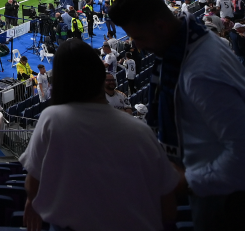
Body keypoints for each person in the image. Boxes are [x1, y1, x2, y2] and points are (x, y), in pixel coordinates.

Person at [108, 0, 245, 231]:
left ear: (160, 25)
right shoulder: (196, 42)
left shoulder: (202, 73)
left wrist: (185, 180)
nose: (138, 46)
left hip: (242, 204)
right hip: (228, 192)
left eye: (139, 37)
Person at [20, 39, 179, 231]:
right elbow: (169, 208)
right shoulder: (140, 131)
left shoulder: (52, 119)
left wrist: (31, 201)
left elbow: (33, 184)